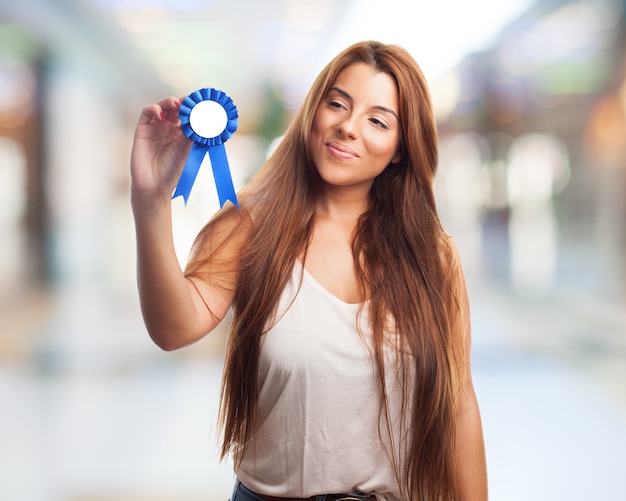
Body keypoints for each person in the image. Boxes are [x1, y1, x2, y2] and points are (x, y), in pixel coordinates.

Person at [130, 40, 488, 501]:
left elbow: (458, 407)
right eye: (336, 104)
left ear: (400, 148)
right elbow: (172, 328)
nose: (347, 128)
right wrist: (150, 199)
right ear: (313, 113)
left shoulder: (433, 257)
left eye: (377, 120)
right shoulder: (249, 230)